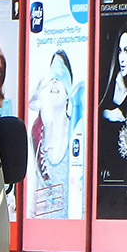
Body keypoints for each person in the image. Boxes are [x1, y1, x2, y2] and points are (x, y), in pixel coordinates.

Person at [29, 50, 82, 218]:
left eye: (60, 76)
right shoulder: (38, 133)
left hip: (71, 232)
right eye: (52, 76)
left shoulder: (77, 134)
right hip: (40, 232)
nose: (54, 81)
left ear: (68, 91)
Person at [98, 25, 127, 184]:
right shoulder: (106, 82)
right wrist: (106, 114)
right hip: (103, 176)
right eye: (120, 50)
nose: (122, 58)